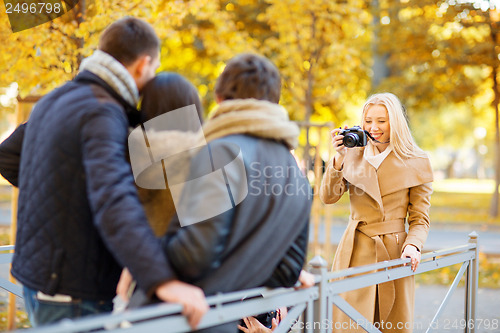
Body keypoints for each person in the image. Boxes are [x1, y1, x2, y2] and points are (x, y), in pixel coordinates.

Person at [0, 17, 207, 328]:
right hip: (73, 287)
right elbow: (113, 199)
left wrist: (64, 197)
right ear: (143, 64)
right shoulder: (102, 112)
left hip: (37, 277)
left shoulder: (57, 99)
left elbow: (8, 156)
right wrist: (162, 280)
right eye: (152, 71)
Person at [120, 53, 313, 332]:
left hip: (179, 320)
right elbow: (287, 271)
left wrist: (139, 253)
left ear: (220, 99)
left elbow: (193, 256)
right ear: (274, 102)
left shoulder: (221, 152)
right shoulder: (295, 173)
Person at [319, 93, 433, 332]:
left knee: (390, 323)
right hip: (354, 252)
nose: (374, 127)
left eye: (382, 121)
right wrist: (338, 159)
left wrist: (413, 246)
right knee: (349, 324)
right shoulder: (352, 153)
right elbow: (328, 197)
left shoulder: (417, 160)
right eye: (368, 121)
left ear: (395, 122)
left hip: (393, 253)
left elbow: (420, 219)